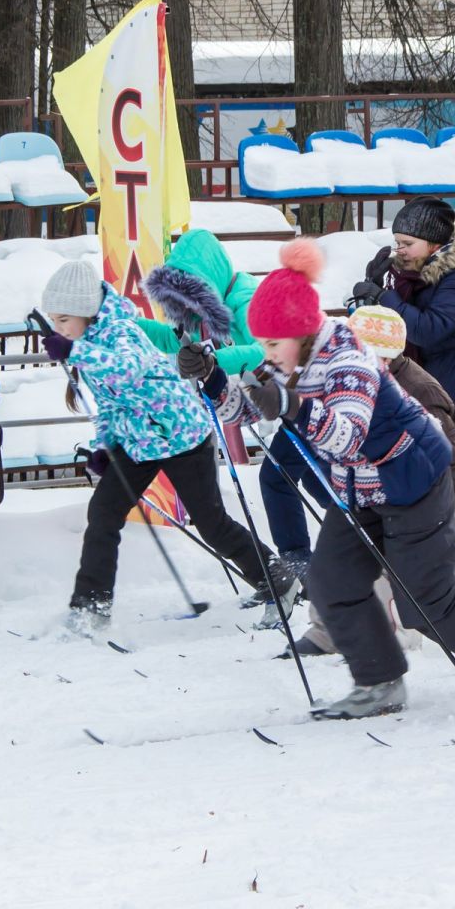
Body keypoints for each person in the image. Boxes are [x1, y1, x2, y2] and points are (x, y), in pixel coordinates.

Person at [226, 239, 455, 719]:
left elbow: (346, 436)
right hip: (358, 492)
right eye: (262, 345)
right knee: (332, 583)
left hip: (413, 481)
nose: (265, 355)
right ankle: (379, 682)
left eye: (271, 344)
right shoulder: (289, 359)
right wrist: (212, 382)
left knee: (423, 602)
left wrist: (290, 406)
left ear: (301, 331)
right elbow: (249, 407)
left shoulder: (349, 361)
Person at [39, 261, 297, 624]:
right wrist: (106, 446)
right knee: (102, 514)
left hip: (182, 437)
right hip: (138, 444)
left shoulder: (120, 333)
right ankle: (91, 605)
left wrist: (74, 352)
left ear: (87, 313)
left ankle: (278, 580)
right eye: (54, 321)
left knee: (212, 524)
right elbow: (112, 403)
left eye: (63, 320)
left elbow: (128, 370)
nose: (58, 329)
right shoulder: (89, 341)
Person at [285, 305, 455, 659]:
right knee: (340, 568)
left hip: (415, 497)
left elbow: (453, 455)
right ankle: (327, 629)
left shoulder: (417, 390)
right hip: (362, 491)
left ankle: (399, 634)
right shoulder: (343, 382)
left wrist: (454, 506)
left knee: (399, 574)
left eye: (379, 359)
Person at [352, 199, 455, 603]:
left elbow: (428, 330)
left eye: (407, 242)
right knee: (443, 490)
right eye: (396, 241)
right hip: (448, 398)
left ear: (434, 244)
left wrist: (385, 299)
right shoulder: (412, 279)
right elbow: (394, 335)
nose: (399, 250)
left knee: (452, 491)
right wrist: (372, 296)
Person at [143, 229, 302, 624]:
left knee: (291, 483)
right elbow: (174, 340)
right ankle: (289, 575)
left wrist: (214, 358)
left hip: (300, 398)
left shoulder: (246, 301)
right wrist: (135, 327)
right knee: (278, 482)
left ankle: (297, 574)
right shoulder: (200, 312)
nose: (184, 306)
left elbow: (264, 351)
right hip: (265, 403)